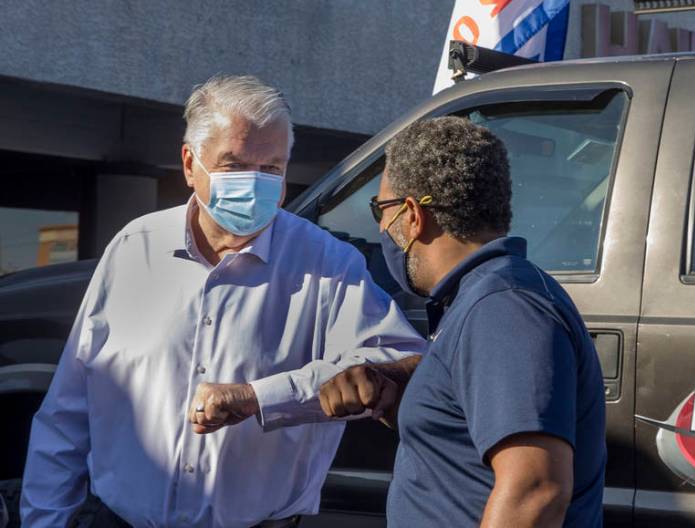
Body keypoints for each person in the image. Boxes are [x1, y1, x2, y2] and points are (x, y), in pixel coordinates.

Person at [21, 74, 425, 528]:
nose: (254, 184)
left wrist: (262, 398)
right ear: (190, 164)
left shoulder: (327, 263)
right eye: (233, 165)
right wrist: (45, 521)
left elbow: (403, 362)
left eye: (271, 168)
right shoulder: (135, 248)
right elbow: (69, 409)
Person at [319, 117, 606, 528]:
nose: (381, 228)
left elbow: (536, 490)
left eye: (381, 210)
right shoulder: (482, 300)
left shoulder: (504, 306)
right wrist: (398, 392)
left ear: (412, 215)